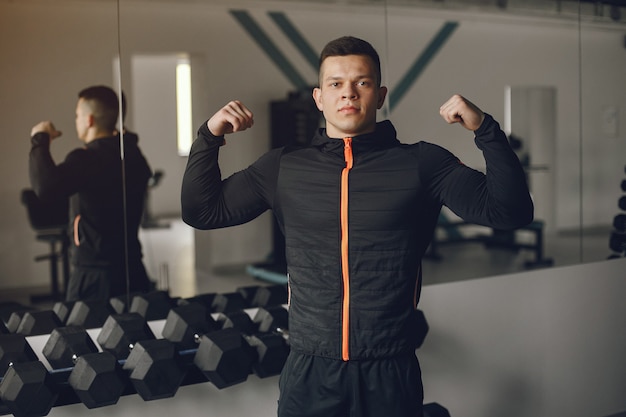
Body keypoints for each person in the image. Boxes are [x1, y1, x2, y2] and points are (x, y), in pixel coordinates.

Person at [181, 36, 534, 417]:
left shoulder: (423, 163)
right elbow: (203, 211)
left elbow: (509, 212)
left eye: (362, 83)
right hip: (310, 370)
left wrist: (486, 131)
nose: (348, 93)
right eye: (336, 84)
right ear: (319, 97)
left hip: (389, 369)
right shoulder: (285, 167)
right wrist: (209, 135)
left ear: (380, 95)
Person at [29, 85, 153, 302]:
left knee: (82, 335)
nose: (75, 120)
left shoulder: (87, 159)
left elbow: (45, 188)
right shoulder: (133, 154)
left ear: (89, 120)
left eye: (77, 115)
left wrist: (40, 138)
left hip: (94, 278)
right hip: (133, 270)